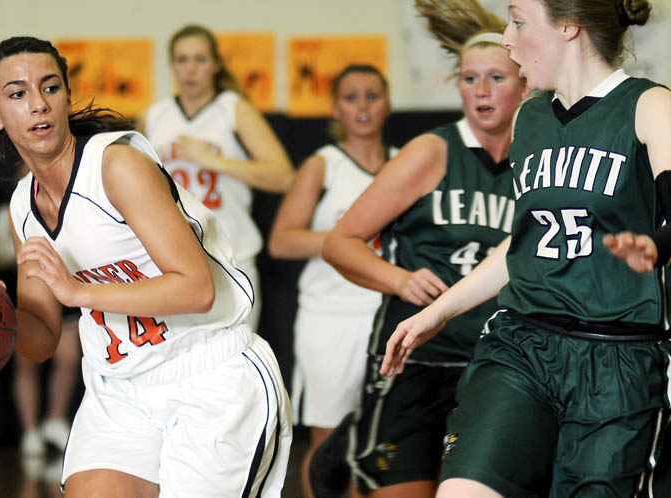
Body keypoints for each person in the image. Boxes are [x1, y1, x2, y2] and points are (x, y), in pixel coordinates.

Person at [381, 0, 671, 496]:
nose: (507, 39)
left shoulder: (649, 105)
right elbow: (522, 245)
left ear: (568, 26)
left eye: (517, 21)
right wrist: (440, 311)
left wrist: (657, 245)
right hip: (523, 343)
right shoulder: (531, 118)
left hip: (618, 358)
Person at [0, 36, 291, 497]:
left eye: (50, 88)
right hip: (120, 388)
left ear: (66, 95)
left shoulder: (116, 166)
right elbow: (42, 337)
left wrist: (80, 293)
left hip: (210, 375)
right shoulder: (21, 208)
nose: (38, 105)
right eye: (18, 94)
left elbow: (195, 290)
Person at [318, 1, 529, 495]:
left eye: (496, 78)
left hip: (495, 363)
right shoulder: (431, 152)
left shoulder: (536, 159)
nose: (481, 91)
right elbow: (339, 243)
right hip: (416, 361)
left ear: (525, 83)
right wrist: (400, 278)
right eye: (469, 78)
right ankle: (350, 449)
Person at [267, 64, 395, 498]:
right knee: (329, 442)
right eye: (352, 96)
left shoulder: (405, 164)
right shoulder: (323, 166)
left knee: (383, 442)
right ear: (336, 106)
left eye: (372, 95)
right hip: (330, 318)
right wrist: (348, 238)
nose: (362, 106)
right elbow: (282, 240)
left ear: (388, 103)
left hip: (389, 317)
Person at [143, 24, 295, 330]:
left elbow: (283, 176)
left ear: (216, 64)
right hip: (173, 260)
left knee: (233, 358)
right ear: (172, 65)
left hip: (231, 254)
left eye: (200, 59)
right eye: (182, 60)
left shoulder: (233, 109)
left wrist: (212, 160)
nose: (191, 69)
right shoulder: (154, 115)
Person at [0, 172, 82, 458]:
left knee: (67, 360)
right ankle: (29, 429)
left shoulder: (76, 203)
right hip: (27, 288)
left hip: (69, 291)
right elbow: (2, 255)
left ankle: (55, 419)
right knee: (27, 363)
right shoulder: (14, 208)